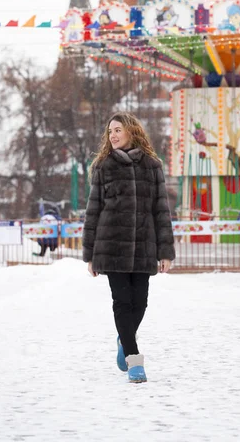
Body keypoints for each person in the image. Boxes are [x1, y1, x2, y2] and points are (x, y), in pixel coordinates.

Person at [82, 112, 175, 384]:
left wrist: (165, 251)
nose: (112, 135)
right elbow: (93, 211)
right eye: (109, 130)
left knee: (141, 302)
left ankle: (124, 338)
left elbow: (161, 211)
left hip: (144, 246)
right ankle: (134, 360)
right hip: (111, 246)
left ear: (132, 131)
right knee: (122, 302)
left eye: (118, 129)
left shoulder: (152, 166)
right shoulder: (103, 167)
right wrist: (90, 254)